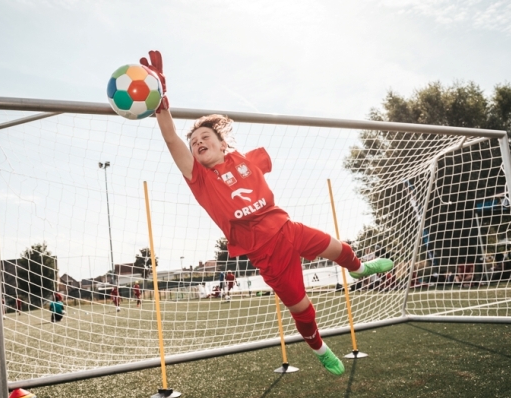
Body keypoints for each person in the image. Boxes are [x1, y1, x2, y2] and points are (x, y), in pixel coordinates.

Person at [142, 50, 393, 376]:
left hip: (288, 227)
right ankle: (320, 348)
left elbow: (263, 162)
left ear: (222, 145)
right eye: (195, 143)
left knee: (339, 248)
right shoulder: (200, 179)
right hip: (266, 253)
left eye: (206, 137)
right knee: (302, 308)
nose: (199, 142)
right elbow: (170, 137)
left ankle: (358, 269)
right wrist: (161, 98)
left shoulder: (245, 160)